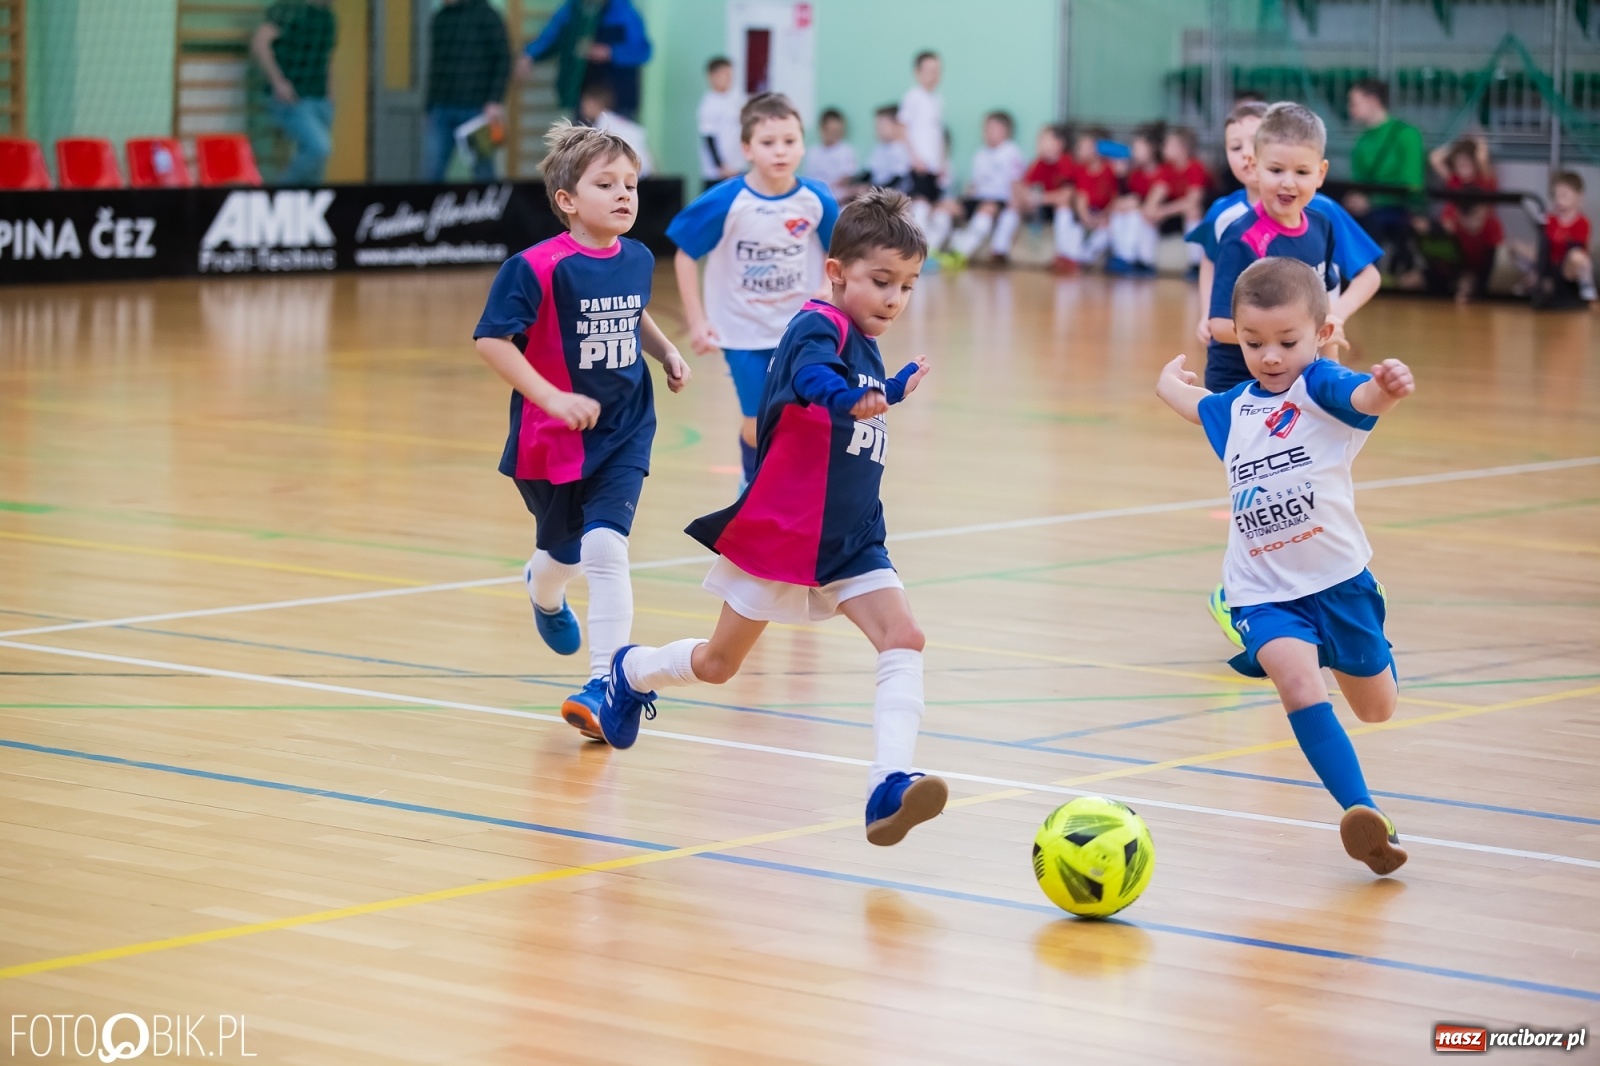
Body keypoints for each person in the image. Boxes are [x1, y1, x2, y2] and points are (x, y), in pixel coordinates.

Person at [595, 190, 948, 849]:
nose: (895, 299)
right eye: (881, 281)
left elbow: (855, 399)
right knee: (719, 664)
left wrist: (891, 388)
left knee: (905, 638)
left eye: (907, 285)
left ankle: (888, 784)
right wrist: (854, 397)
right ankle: (630, 671)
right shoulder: (819, 325)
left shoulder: (867, 343)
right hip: (786, 536)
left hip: (852, 539)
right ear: (836, 273)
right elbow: (814, 380)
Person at [1156, 256, 1415, 877]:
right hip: (1261, 593)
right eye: (1253, 343)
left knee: (1377, 708)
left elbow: (1361, 395)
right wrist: (1169, 382)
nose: (1270, 357)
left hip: (1340, 585)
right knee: (1297, 682)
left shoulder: (1320, 386)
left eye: (1286, 342)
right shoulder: (1236, 408)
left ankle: (1365, 643)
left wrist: (1385, 386)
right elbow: (1196, 405)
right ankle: (1364, 814)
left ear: (1322, 335)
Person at [471, 122, 689, 739]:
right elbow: (491, 340)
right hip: (554, 437)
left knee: (605, 548)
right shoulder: (534, 267)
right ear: (567, 200)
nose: (625, 195)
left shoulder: (639, 257)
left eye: (631, 184)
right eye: (607, 184)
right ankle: (541, 592)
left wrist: (666, 352)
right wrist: (551, 396)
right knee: (561, 554)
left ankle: (605, 686)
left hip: (624, 428)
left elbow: (631, 311)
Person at [668, 93, 839, 488]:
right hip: (742, 333)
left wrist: (824, 287)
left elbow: (839, 250)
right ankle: (753, 486)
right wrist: (698, 322)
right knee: (758, 420)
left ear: (802, 143)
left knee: (804, 413)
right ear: (746, 148)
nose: (780, 151)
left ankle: (796, 488)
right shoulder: (728, 200)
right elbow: (684, 256)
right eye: (768, 143)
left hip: (801, 330)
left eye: (790, 141)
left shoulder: (817, 198)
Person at [1189, 101, 1382, 351]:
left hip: (1313, 356)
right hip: (1246, 360)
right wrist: (1208, 312)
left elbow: (1366, 276)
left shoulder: (1321, 213)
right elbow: (1210, 261)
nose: (1246, 154)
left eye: (1254, 140)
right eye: (1236, 147)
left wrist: (1333, 316)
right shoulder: (1225, 216)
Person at [1343, 79, 1426, 279]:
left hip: (1396, 210)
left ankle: (1370, 277)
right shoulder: (1362, 141)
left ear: (1373, 100)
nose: (1350, 109)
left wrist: (1370, 202)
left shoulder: (1407, 135)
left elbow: (1413, 185)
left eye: (1354, 103)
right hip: (1370, 208)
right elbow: (1359, 183)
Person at [423, 0, 511, 183]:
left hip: (477, 110)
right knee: (432, 171)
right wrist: (429, 106)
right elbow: (435, 65)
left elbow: (503, 59)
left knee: (483, 171)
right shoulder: (440, 18)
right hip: (441, 107)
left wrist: (495, 100)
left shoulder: (488, 16)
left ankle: (490, 211)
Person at [518, 0, 652, 119]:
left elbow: (643, 51)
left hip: (619, 94)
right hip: (586, 92)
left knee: (618, 142)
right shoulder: (574, 7)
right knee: (583, 141)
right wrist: (530, 54)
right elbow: (552, 33)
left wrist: (609, 52)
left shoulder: (625, 11)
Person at [251, 0, 336, 185]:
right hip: (293, 99)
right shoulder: (289, 9)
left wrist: (330, 94)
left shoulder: (329, 17)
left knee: (317, 169)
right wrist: (278, 82)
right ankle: (280, 197)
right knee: (319, 148)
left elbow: (326, 58)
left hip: (320, 99)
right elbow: (260, 43)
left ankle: (309, 208)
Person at [991, 123, 1077, 270]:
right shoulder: (1038, 163)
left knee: (1063, 208)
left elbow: (1065, 196)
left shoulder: (1067, 162)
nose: (1039, 142)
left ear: (1059, 143)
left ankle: (1064, 256)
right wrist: (1027, 198)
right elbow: (1026, 187)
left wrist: (1037, 198)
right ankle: (999, 251)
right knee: (1013, 204)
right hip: (1038, 208)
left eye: (1044, 138)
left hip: (1056, 209)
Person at [1429, 136, 1501, 303]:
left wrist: (1475, 144)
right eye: (1460, 164)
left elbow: (1482, 156)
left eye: (1468, 163)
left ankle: (1472, 285)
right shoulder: (1454, 181)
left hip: (1481, 240)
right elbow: (1435, 158)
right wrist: (1456, 145)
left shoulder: (1484, 180)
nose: (1464, 168)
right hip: (1458, 239)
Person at [947, 111, 1026, 263]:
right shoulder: (980, 154)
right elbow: (975, 184)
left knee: (986, 210)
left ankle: (960, 253)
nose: (986, 133)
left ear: (1005, 130)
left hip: (999, 199)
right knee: (946, 207)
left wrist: (1016, 202)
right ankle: (929, 250)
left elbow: (1016, 181)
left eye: (992, 128)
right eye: (985, 129)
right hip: (979, 198)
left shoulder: (1011, 152)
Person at [898, 52, 950, 249]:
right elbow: (902, 129)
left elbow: (938, 134)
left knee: (931, 206)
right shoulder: (913, 96)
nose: (933, 75)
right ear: (917, 73)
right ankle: (914, 249)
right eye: (928, 70)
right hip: (918, 164)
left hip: (933, 166)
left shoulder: (937, 100)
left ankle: (926, 249)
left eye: (937, 71)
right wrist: (915, 158)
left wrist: (942, 162)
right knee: (919, 204)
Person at [1528, 171, 1596, 308]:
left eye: (1564, 195)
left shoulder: (1582, 222)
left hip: (1567, 270)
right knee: (1516, 248)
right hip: (1548, 266)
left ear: (1579, 196)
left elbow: (1573, 249)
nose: (1559, 200)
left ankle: (1589, 296)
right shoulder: (1549, 220)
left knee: (1578, 257)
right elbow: (1543, 249)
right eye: (1556, 195)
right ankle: (1530, 284)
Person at [1105, 125, 1166, 276]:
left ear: (1151, 149)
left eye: (1138, 147)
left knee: (1134, 214)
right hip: (1139, 221)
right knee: (1119, 212)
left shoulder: (1163, 172)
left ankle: (1131, 259)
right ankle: (1123, 257)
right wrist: (1120, 177)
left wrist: (1134, 205)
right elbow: (1117, 201)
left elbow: (1150, 208)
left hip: (1156, 224)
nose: (1134, 152)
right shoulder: (1134, 174)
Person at [1059, 127, 1117, 270]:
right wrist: (1086, 217)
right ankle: (1066, 256)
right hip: (1086, 213)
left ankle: (1082, 258)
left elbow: (1114, 199)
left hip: (1104, 215)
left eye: (1086, 147)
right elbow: (1081, 197)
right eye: (1081, 147)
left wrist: (1103, 217)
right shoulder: (1080, 169)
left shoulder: (1111, 170)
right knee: (1066, 215)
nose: (1081, 150)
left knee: (1108, 229)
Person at [1156, 126, 1209, 275]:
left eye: (1168, 144)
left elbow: (1192, 201)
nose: (1163, 148)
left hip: (1198, 217)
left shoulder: (1195, 167)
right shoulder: (1166, 169)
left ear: (1182, 148)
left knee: (1192, 211)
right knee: (1144, 212)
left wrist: (1163, 211)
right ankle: (1139, 260)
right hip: (1173, 217)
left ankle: (1195, 264)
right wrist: (1152, 210)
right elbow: (1154, 197)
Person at [578, 84, 652, 176]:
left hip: (635, 175)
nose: (582, 108)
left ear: (595, 103)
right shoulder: (614, 121)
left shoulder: (605, 126)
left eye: (585, 103)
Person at [696, 57, 743, 186]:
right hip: (718, 172)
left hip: (736, 167)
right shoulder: (709, 104)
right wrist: (721, 166)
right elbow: (708, 137)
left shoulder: (734, 100)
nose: (729, 79)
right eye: (725, 75)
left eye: (730, 75)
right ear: (712, 76)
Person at [805, 109, 860, 203]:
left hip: (840, 197)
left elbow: (847, 177)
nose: (834, 135)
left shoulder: (846, 151)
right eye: (831, 130)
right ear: (822, 128)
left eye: (837, 131)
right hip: (816, 196)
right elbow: (810, 178)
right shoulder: (813, 152)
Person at [864, 105, 912, 193]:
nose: (878, 131)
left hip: (894, 196)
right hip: (877, 191)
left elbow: (897, 179)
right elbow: (869, 172)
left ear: (896, 126)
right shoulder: (879, 148)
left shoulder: (901, 149)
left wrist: (874, 189)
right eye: (877, 127)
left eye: (882, 127)